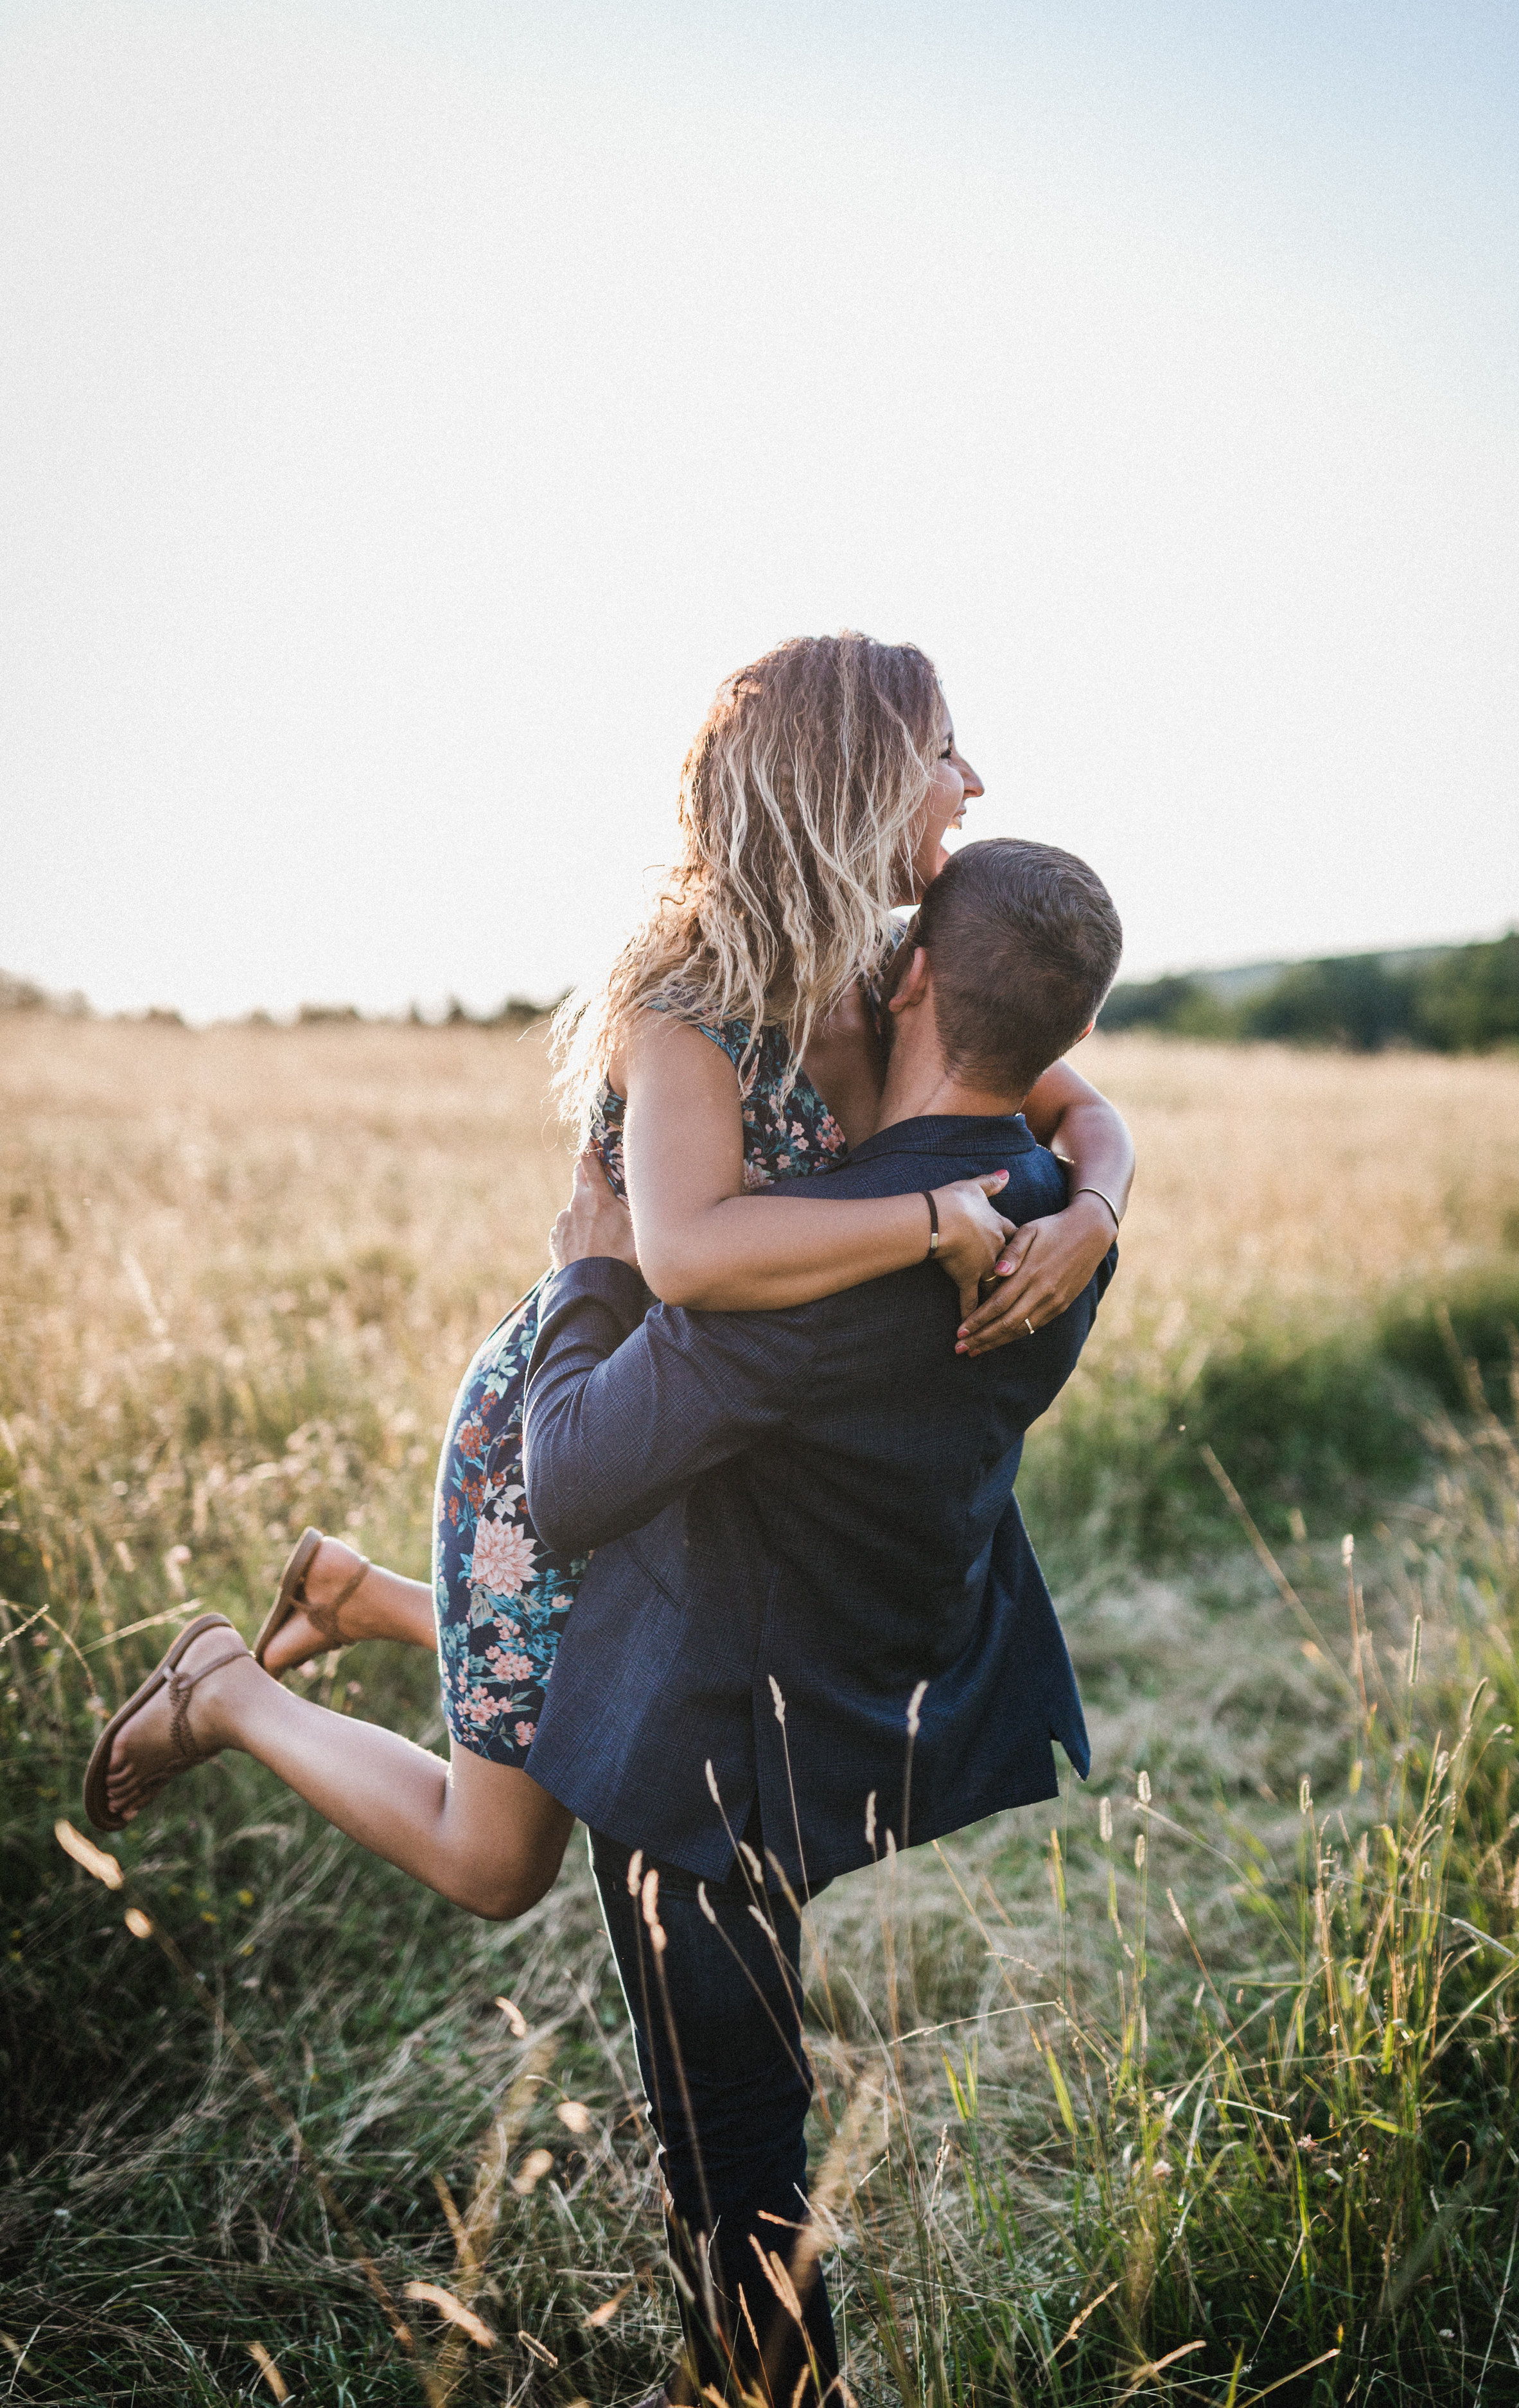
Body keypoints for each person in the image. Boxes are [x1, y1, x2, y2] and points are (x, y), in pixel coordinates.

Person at [82, 634, 1134, 1917]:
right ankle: (226, 1693)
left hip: (696, 1429)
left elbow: (1080, 1105)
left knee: (635, 1668)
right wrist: (931, 1216)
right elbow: (684, 1256)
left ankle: (360, 1597)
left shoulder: (892, 967)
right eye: (940, 753)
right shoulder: (689, 1003)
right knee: (496, 1865)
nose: (971, 781)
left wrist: (1093, 1205)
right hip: (574, 1420)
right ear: (847, 777)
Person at [519, 836, 1125, 2407]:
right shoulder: (1057, 1212)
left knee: (726, 2127)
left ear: (910, 976)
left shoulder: (809, 1260)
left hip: (704, 1747)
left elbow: (575, 1478)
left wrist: (588, 1276)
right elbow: (1075, 1117)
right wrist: (1111, 1180)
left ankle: (771, 2389)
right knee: (747, 2096)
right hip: (863, 1691)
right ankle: (722, 2373)